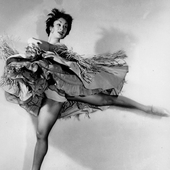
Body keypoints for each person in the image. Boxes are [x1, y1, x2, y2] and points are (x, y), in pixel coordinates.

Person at [0, 8, 169, 170]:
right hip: (53, 96)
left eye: (65, 27)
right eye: (59, 24)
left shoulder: (62, 49)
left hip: (70, 87)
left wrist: (58, 58)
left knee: (106, 99)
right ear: (51, 26)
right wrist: (32, 48)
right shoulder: (39, 45)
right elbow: (33, 50)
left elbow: (56, 52)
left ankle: (147, 109)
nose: (62, 28)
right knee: (41, 135)